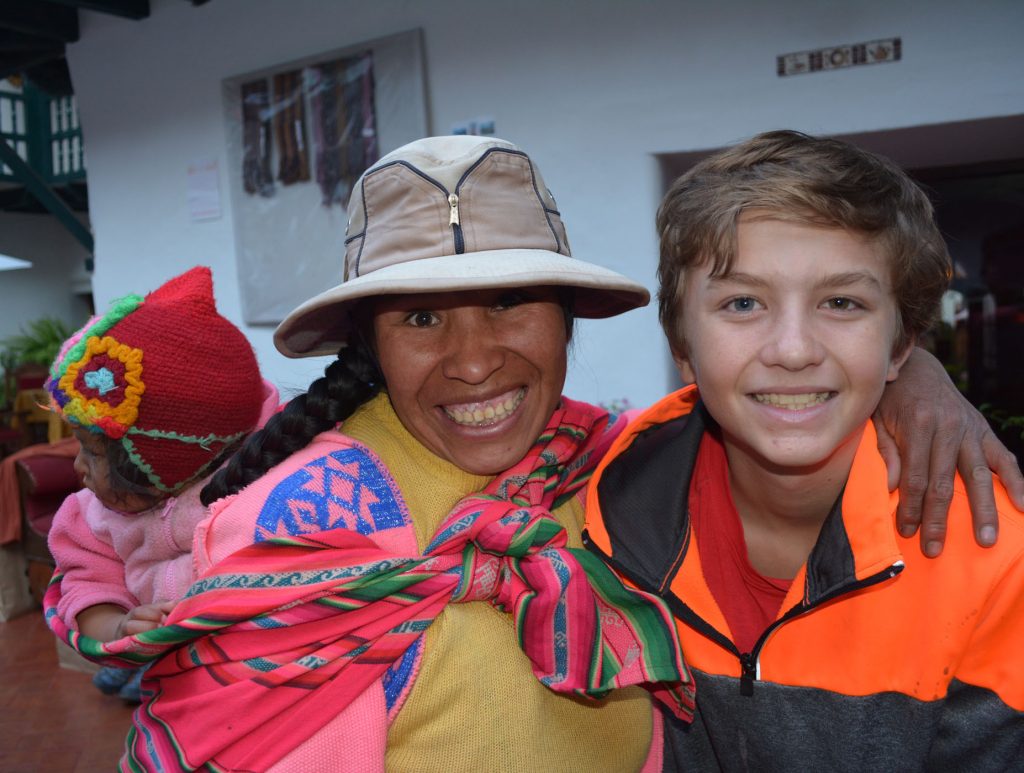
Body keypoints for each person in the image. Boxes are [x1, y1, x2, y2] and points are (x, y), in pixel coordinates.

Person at [66, 136, 1017, 773]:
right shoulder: (298, 534)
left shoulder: (606, 469)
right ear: (369, 347)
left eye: (513, 304)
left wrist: (909, 375)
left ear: (568, 327)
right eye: (422, 317)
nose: (475, 359)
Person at [584, 130, 1024, 770]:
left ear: (900, 346)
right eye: (742, 303)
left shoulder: (994, 561)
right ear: (682, 345)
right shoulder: (598, 502)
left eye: (841, 303)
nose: (793, 350)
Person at [44, 267, 279, 698]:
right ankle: (124, 673)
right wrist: (116, 626)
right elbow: (87, 583)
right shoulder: (90, 518)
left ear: (165, 463)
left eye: (93, 452)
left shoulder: (266, 486)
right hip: (157, 658)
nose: (77, 467)